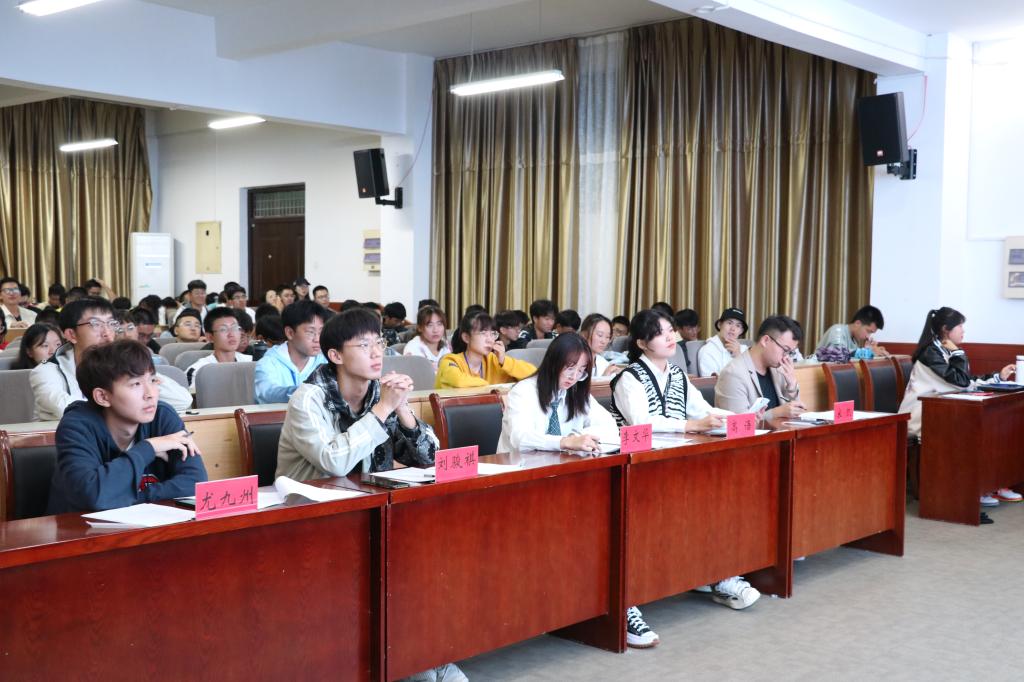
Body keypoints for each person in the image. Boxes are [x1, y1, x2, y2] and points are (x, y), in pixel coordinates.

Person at [46, 340, 207, 514]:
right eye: (136, 384)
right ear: (103, 397)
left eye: (152, 380)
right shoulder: (76, 426)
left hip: (148, 525)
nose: (150, 394)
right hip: (77, 528)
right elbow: (93, 496)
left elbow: (196, 484)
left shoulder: (162, 416)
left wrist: (123, 498)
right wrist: (149, 448)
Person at [898, 307, 1018, 508]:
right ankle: (972, 490)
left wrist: (998, 376)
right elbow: (961, 382)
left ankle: (989, 485)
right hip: (921, 414)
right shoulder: (931, 352)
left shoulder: (945, 349)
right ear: (946, 329)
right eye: (960, 326)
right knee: (974, 431)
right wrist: (958, 353)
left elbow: (965, 381)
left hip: (942, 410)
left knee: (991, 428)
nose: (963, 330)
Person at [30, 298, 193, 421]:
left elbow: (182, 400)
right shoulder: (46, 371)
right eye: (95, 324)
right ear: (71, 334)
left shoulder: (122, 363)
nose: (107, 333)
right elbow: (68, 410)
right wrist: (127, 407)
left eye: (111, 324)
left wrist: (137, 370)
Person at [497, 332, 619, 454]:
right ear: (553, 363)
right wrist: (564, 442)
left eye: (581, 371)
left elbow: (609, 426)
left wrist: (577, 437)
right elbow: (520, 438)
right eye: (570, 368)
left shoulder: (577, 391)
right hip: (517, 463)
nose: (574, 377)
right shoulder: (523, 391)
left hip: (562, 462)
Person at [715, 315, 806, 419]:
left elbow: (794, 414)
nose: (786, 357)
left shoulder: (778, 369)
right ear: (765, 340)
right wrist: (776, 413)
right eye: (785, 350)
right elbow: (738, 423)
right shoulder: (733, 374)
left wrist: (792, 386)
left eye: (790, 352)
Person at [435, 312, 536, 389]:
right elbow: (459, 382)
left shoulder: (495, 360)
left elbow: (533, 374)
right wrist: (491, 387)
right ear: (466, 337)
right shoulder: (449, 361)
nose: (490, 340)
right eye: (483, 333)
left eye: (492, 334)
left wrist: (504, 361)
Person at [254, 300, 329, 403]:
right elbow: (267, 394)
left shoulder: (325, 361)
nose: (317, 339)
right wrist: (306, 391)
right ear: (290, 333)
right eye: (310, 332)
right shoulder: (268, 363)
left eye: (321, 332)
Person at [184, 307, 253, 387]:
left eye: (235, 328)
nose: (231, 334)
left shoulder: (251, 363)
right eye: (223, 329)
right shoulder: (199, 371)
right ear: (210, 337)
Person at [815, 305, 889, 358]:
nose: (868, 336)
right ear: (857, 323)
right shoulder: (837, 330)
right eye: (868, 331)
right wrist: (868, 352)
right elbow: (839, 353)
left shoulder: (854, 340)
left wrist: (868, 350)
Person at [697, 307, 749, 377]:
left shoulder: (745, 350)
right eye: (729, 323)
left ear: (741, 331)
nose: (733, 328)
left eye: (738, 325)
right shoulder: (707, 351)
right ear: (719, 325)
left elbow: (753, 378)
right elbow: (710, 382)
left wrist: (739, 356)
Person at [403, 305, 449, 370]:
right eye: (430, 325)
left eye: (439, 324)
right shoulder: (413, 347)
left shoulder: (445, 345)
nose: (435, 330)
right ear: (419, 328)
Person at [579, 313, 623, 377]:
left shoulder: (604, 364)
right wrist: (604, 377)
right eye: (600, 335)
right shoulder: (573, 362)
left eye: (607, 337)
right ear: (584, 335)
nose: (604, 341)